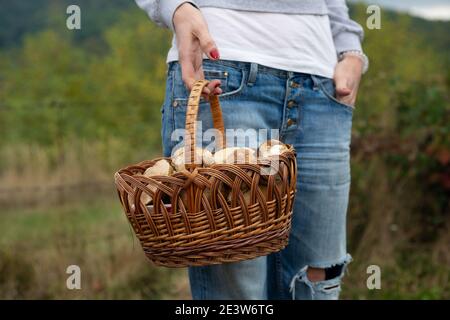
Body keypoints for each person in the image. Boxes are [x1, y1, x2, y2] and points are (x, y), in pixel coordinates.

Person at [135, 0, 368, 300]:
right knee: (237, 288)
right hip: (223, 74)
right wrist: (177, 9)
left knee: (318, 276)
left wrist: (351, 51)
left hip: (321, 87)